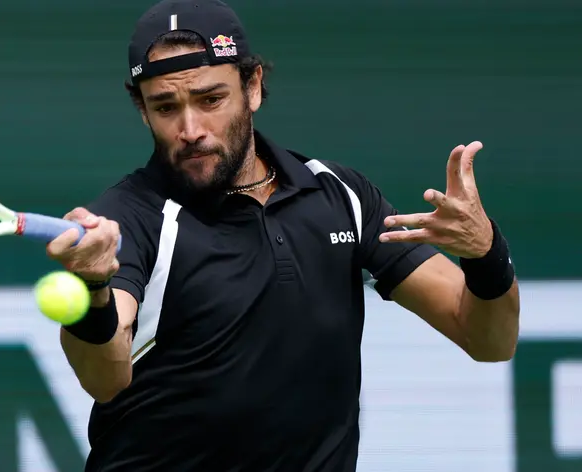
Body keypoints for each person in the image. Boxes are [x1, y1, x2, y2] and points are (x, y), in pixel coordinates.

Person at [45, 0, 521, 470]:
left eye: (211, 100)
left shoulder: (341, 196)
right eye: (165, 107)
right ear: (143, 110)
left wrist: (484, 253)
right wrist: (93, 287)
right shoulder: (129, 216)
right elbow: (104, 379)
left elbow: (489, 342)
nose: (190, 129)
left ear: (253, 87)